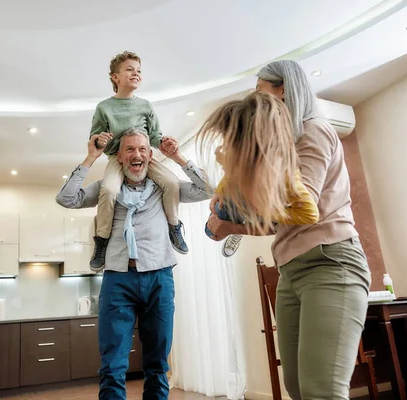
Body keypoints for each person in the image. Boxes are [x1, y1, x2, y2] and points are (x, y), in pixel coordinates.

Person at [205, 60, 371, 399]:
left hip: (330, 263)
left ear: (283, 88)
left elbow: (304, 209)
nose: (256, 99)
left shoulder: (313, 129)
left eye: (260, 90)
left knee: (320, 390)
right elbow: (280, 221)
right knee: (296, 387)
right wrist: (230, 219)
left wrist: (236, 203)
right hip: (291, 269)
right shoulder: (279, 149)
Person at [56, 128, 212, 400]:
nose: (136, 154)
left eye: (142, 149)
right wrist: (90, 158)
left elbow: (207, 189)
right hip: (118, 279)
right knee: (113, 365)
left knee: (158, 365)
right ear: (119, 157)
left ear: (150, 156)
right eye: (129, 149)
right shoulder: (107, 189)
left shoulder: (165, 188)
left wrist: (178, 157)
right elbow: (66, 198)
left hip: (159, 278)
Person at [89, 50, 188, 272]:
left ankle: (174, 227)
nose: (136, 74)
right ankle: (102, 241)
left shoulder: (145, 106)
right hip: (118, 157)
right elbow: (94, 139)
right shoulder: (104, 108)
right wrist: (100, 140)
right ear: (115, 77)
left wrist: (165, 143)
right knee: (109, 190)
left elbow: (155, 136)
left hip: (144, 156)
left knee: (171, 183)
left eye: (139, 71)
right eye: (130, 70)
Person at [198, 91, 319, 257]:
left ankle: (240, 225)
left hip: (268, 208)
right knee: (211, 229)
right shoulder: (246, 161)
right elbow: (237, 171)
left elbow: (310, 215)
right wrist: (220, 190)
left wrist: (258, 213)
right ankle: (236, 221)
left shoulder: (285, 176)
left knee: (215, 226)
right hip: (250, 198)